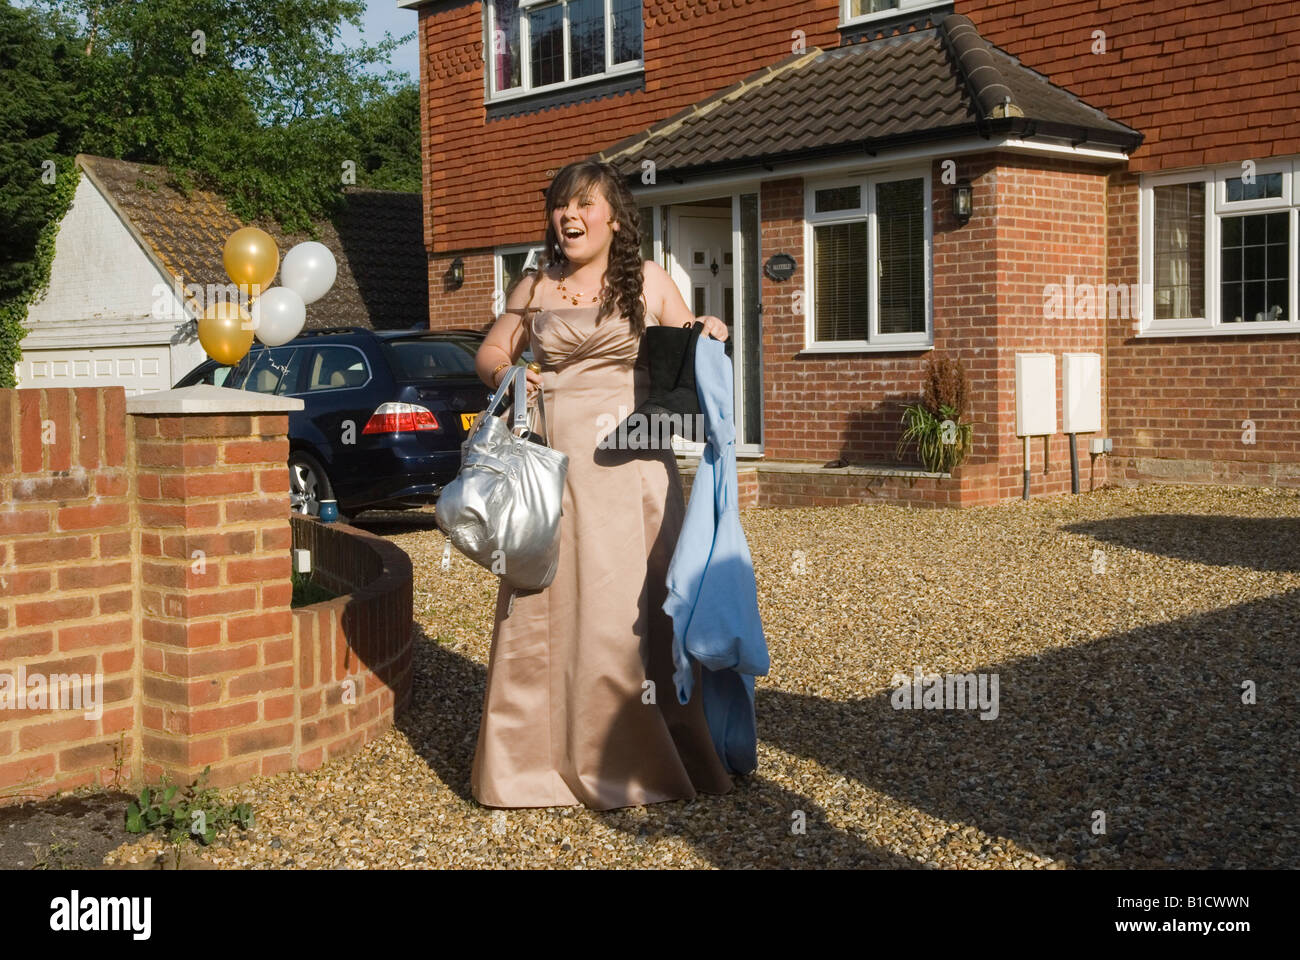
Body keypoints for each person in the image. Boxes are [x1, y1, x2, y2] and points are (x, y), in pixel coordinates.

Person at [469, 159, 733, 810]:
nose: (569, 216)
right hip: (555, 471)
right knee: (547, 604)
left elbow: (691, 337)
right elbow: (490, 351)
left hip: (634, 471)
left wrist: (712, 332)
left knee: (636, 608)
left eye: (584, 204)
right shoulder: (533, 287)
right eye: (561, 205)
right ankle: (533, 763)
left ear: (615, 217)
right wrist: (507, 367)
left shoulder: (649, 281)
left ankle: (651, 755)